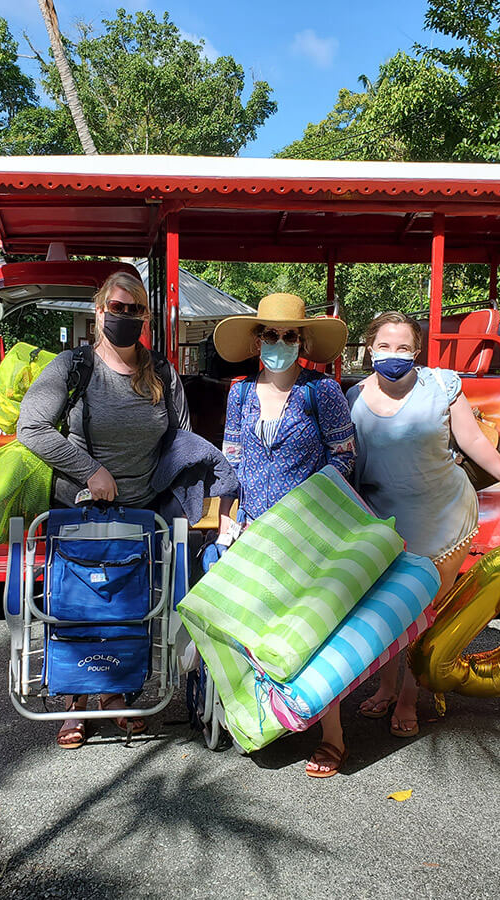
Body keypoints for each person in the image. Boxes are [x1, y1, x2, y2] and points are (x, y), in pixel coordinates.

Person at [15, 270, 191, 750]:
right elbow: (30, 427)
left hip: (142, 516)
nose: (126, 317)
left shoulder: (162, 373)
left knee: (127, 609)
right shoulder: (73, 368)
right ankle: (73, 700)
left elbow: (181, 440)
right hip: (81, 513)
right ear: (98, 312)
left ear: (145, 318)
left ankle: (115, 693)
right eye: (117, 308)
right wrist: (90, 470)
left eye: (135, 310)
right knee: (77, 608)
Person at [348, 311, 500, 737]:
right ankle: (386, 684)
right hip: (385, 523)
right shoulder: (353, 397)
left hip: (444, 518)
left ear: (417, 352)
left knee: (425, 612)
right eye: (384, 346)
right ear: (369, 349)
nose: (393, 355)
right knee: (387, 611)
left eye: (403, 347)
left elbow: (472, 443)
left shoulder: (441, 386)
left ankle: (409, 696)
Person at [212, 293, 355, 778]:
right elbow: (230, 459)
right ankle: (270, 719)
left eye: (288, 335)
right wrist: (226, 517)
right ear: (257, 340)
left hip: (308, 532)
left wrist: (309, 507)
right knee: (259, 630)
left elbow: (344, 457)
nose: (278, 343)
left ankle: (332, 735)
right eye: (270, 334)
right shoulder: (238, 393)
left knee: (317, 633)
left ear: (303, 340)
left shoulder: (323, 391)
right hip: (253, 530)